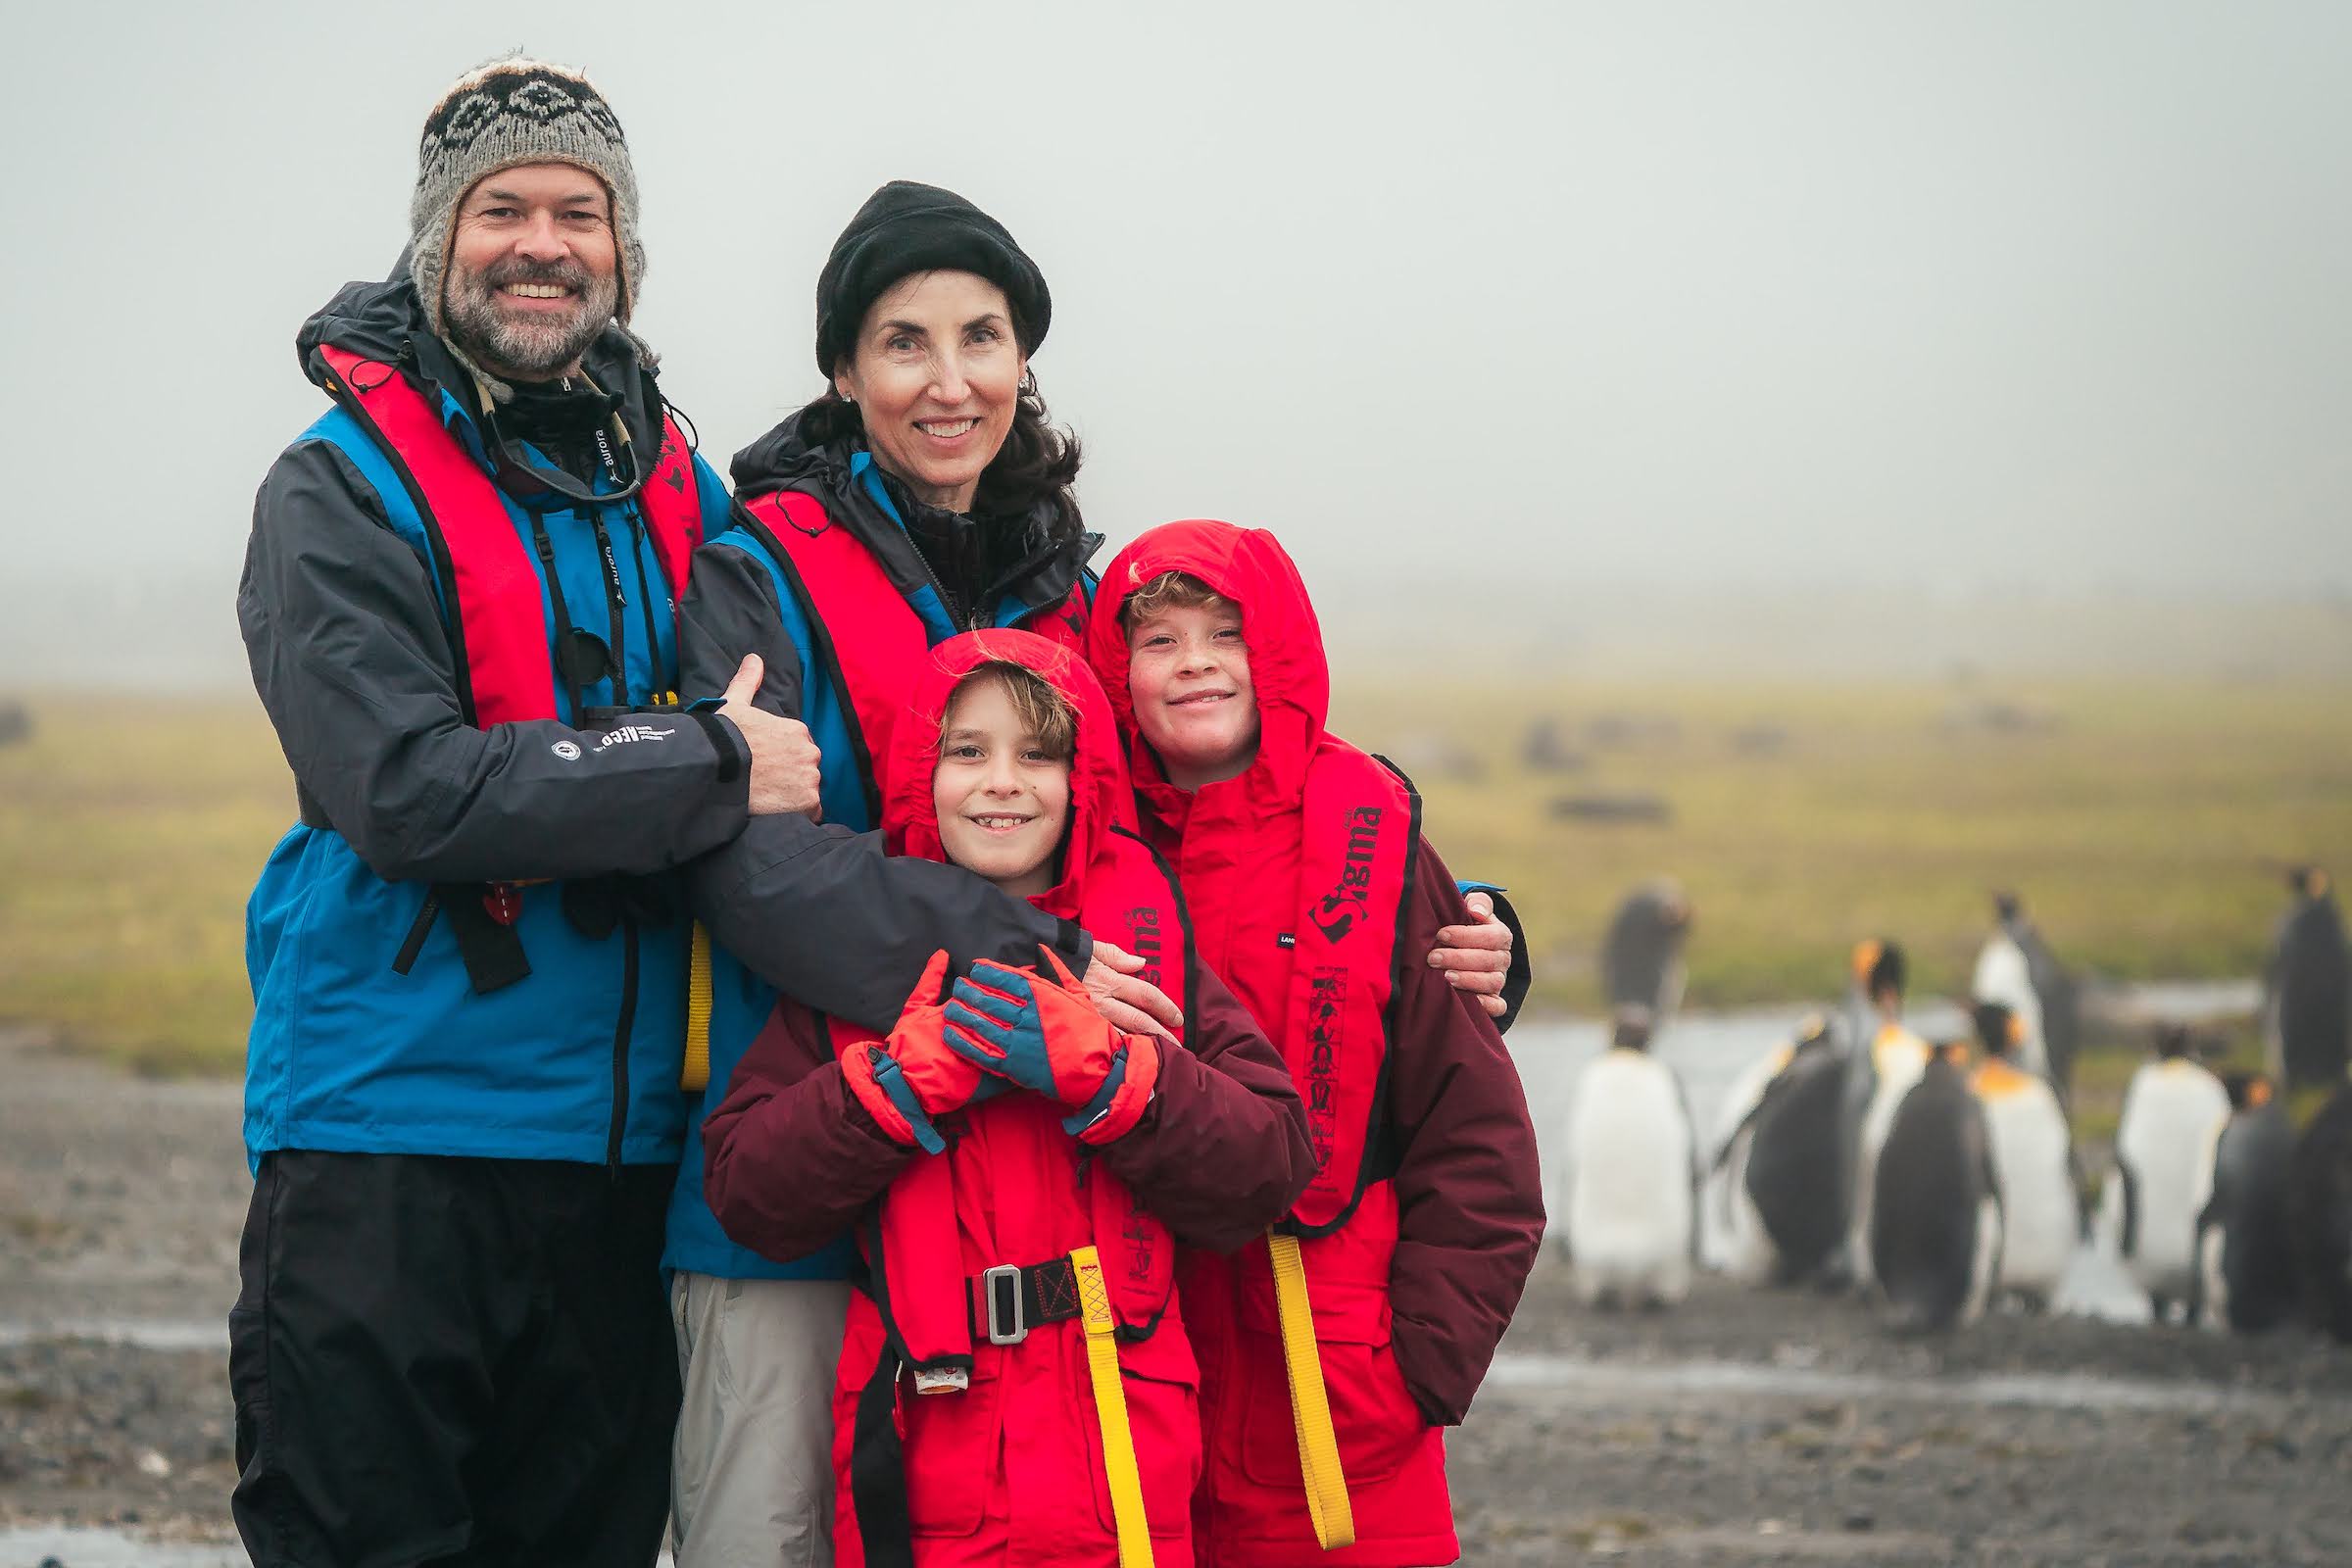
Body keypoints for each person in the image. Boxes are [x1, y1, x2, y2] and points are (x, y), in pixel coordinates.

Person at [666, 182, 1523, 1566]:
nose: (949, 381)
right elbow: (749, 871)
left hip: (1072, 1243)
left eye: (982, 338)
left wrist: (1450, 916)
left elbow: (1202, 804)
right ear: (843, 370)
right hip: (805, 1224)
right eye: (903, 342)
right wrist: (1029, 966)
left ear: (1023, 361)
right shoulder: (756, 575)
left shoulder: (1059, 579)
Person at [228, 57, 824, 1565]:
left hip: (623, 1165)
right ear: (438, 239)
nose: (543, 242)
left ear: (624, 249)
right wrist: (702, 762)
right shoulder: (338, 488)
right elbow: (406, 792)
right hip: (388, 1144)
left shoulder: (680, 490)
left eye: (580, 211)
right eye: (502, 209)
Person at [704, 629, 1314, 1566]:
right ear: (921, 770)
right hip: (921, 1462)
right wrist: (899, 1079)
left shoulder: (1140, 961)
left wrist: (1117, 1074)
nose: (1002, 782)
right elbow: (749, 1193)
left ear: (1084, 781)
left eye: (1039, 753)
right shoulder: (861, 970)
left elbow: (1270, 1164)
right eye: (966, 751)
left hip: (1126, 1465)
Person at [1084, 520, 1545, 1568]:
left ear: (1277, 650)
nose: (1195, 661)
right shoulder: (1081, 846)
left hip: (1333, 1391)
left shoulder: (1372, 841)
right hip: (1126, 1378)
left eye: (1224, 633)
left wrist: (1417, 1366)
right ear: (1118, 670)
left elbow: (1480, 1140)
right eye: (1158, 641)